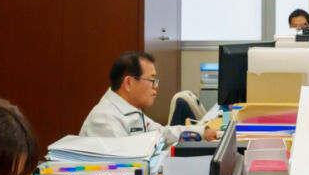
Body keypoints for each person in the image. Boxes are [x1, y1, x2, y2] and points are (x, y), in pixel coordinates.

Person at [81, 51, 215, 143]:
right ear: (128, 83)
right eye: (151, 80)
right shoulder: (104, 119)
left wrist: (203, 132)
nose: (155, 86)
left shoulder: (130, 110)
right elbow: (123, 166)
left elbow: (162, 134)